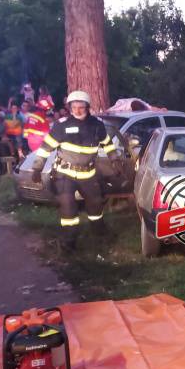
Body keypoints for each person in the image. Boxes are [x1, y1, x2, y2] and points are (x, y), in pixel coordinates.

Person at [31, 90, 120, 251]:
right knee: (68, 208)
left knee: (95, 205)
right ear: (69, 107)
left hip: (88, 174)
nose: (77, 110)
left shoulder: (97, 124)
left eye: (81, 107)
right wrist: (37, 168)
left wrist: (115, 159)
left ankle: (99, 233)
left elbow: (107, 143)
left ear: (87, 107)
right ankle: (69, 242)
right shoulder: (61, 125)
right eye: (74, 107)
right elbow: (46, 147)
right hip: (65, 174)